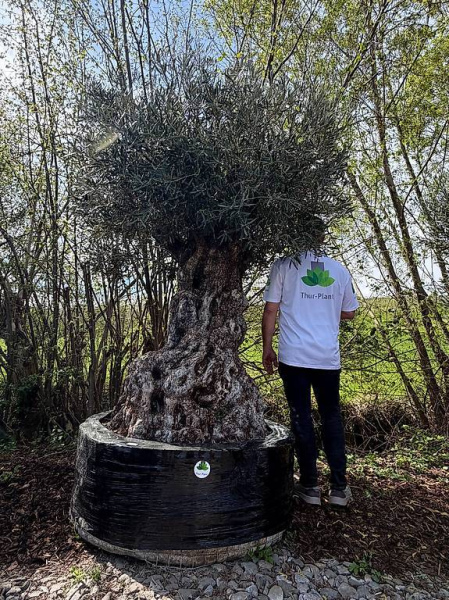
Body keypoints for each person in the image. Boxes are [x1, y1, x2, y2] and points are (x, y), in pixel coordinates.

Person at [262, 247, 358, 507]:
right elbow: (350, 311)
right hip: (327, 358)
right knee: (331, 416)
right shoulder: (339, 270)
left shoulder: (283, 265)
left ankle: (310, 486)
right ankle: (339, 489)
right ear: (323, 237)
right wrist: (324, 308)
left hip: (294, 357)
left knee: (301, 416)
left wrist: (267, 348)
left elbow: (270, 310)